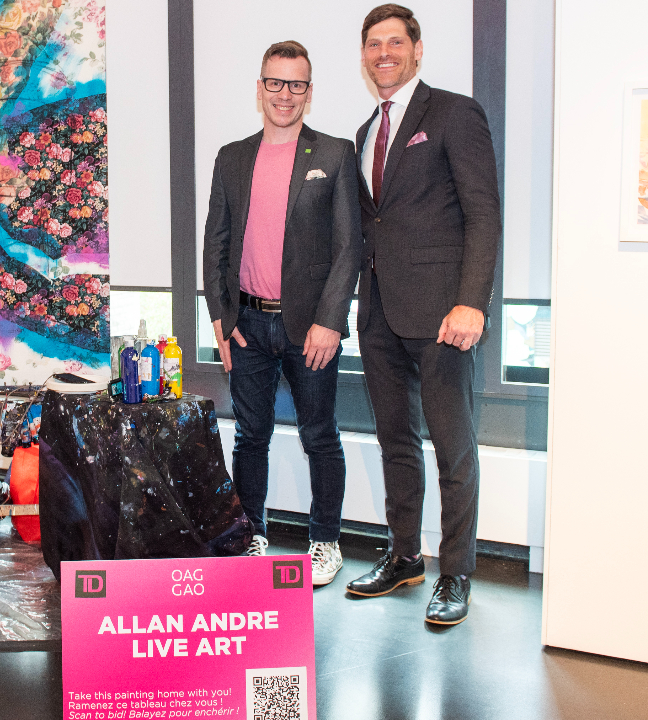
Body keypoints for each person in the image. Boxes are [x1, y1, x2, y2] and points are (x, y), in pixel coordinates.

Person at [343, 5, 501, 625]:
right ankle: (404, 556)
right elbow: (373, 224)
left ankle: (456, 573)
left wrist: (472, 301)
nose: (384, 53)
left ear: (416, 49)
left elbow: (484, 213)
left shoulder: (454, 113)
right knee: (395, 443)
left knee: (453, 448)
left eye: (395, 43)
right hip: (379, 312)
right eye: (373, 45)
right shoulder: (363, 131)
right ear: (363, 56)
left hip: (444, 315)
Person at [202, 41, 362, 585]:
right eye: (275, 83)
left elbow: (349, 248)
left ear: (309, 92)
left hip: (310, 328)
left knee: (320, 435)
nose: (285, 95)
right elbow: (215, 244)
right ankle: (251, 534)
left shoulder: (336, 155)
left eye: (296, 84)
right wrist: (221, 320)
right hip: (247, 325)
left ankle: (324, 542)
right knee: (250, 437)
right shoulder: (231, 156)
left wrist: (331, 322)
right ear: (260, 89)